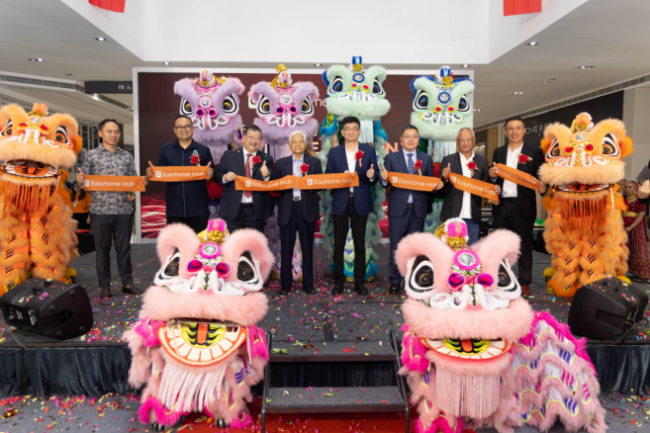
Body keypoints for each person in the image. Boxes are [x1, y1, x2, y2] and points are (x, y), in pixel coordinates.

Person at [77, 119, 149, 298]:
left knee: (124, 249)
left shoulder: (126, 156)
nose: (113, 135)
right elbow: (81, 183)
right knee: (102, 251)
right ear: (100, 133)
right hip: (100, 211)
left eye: (116, 131)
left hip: (123, 211)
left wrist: (141, 181)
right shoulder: (91, 155)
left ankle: (127, 283)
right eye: (109, 131)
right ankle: (105, 286)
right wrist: (79, 182)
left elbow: (133, 180)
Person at [381, 125, 442, 295]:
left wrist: (435, 186)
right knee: (396, 247)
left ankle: (411, 281)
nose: (411, 139)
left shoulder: (425, 158)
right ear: (401, 140)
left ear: (418, 140)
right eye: (407, 136)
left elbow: (430, 183)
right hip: (397, 211)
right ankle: (394, 281)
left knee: (415, 248)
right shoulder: (391, 158)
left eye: (414, 136)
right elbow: (385, 183)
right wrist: (384, 179)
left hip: (418, 210)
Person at [488, 116, 546, 298]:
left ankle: (524, 282)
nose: (514, 132)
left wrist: (544, 186)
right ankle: (501, 279)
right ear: (505, 132)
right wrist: (492, 175)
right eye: (511, 129)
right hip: (501, 206)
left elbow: (542, 176)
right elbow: (493, 177)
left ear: (524, 131)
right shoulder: (498, 152)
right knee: (500, 246)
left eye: (518, 128)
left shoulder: (534, 152)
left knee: (524, 246)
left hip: (524, 206)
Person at [326, 116, 379, 296]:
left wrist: (372, 175)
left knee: (360, 244)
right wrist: (340, 177)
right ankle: (338, 283)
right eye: (347, 128)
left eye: (354, 128)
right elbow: (329, 176)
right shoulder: (335, 152)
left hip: (360, 201)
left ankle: (359, 283)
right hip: (341, 201)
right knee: (339, 245)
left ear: (359, 131)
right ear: (342, 132)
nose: (351, 131)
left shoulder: (368, 150)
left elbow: (375, 174)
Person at [145, 115, 214, 234]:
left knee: (198, 243)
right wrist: (151, 173)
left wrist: (210, 174)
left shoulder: (203, 150)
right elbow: (160, 174)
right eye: (180, 127)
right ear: (174, 130)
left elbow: (209, 179)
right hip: (174, 208)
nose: (184, 129)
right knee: (176, 243)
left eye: (187, 126)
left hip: (198, 208)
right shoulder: (166, 149)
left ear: (192, 128)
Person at [274, 130, 322, 296]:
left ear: (306, 144)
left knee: (307, 248)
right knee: (286, 249)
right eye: (294, 142)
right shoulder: (281, 164)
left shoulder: (314, 162)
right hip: (287, 209)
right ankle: (285, 285)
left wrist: (309, 183)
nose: (298, 144)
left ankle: (308, 284)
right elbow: (275, 187)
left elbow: (321, 185)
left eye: (301, 141)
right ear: (289, 145)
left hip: (306, 208)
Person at [439, 128, 494, 245]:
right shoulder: (448, 160)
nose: (465, 143)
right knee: (451, 250)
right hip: (453, 215)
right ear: (457, 141)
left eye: (468, 139)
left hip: (473, 216)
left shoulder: (483, 161)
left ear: (474, 141)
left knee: (471, 250)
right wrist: (444, 178)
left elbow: (486, 186)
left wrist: (493, 180)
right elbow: (439, 190)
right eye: (462, 140)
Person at [215, 125, 274, 233]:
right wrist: (225, 177)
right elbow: (217, 174)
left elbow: (272, 181)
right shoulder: (229, 155)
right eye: (251, 137)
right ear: (244, 138)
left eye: (257, 138)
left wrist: (266, 175)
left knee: (255, 243)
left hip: (257, 211)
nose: (254, 141)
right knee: (232, 243)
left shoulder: (266, 158)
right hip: (232, 209)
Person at [623, 181, 650, 280]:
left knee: (636, 248)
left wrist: (630, 227)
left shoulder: (640, 200)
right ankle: (624, 271)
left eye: (630, 187)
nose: (627, 189)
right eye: (626, 187)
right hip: (623, 226)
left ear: (635, 189)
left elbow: (641, 216)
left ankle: (637, 274)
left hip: (636, 227)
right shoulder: (622, 200)